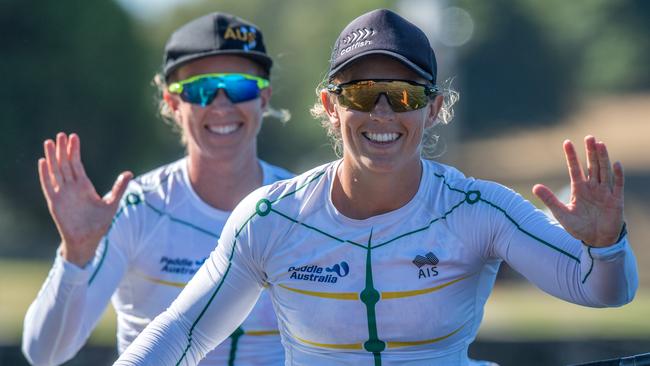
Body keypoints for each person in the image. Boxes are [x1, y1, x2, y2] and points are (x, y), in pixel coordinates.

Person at [113, 9, 638, 366]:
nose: (382, 113)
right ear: (330, 105)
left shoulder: (481, 210)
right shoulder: (269, 219)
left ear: (433, 108)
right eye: (362, 93)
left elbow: (603, 291)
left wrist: (606, 247)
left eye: (403, 95)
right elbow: (182, 332)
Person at [22, 12, 292, 366]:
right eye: (201, 90)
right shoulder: (137, 207)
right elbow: (44, 353)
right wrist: (76, 255)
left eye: (239, 85)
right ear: (172, 104)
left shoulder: (299, 207)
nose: (222, 104)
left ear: (264, 97)